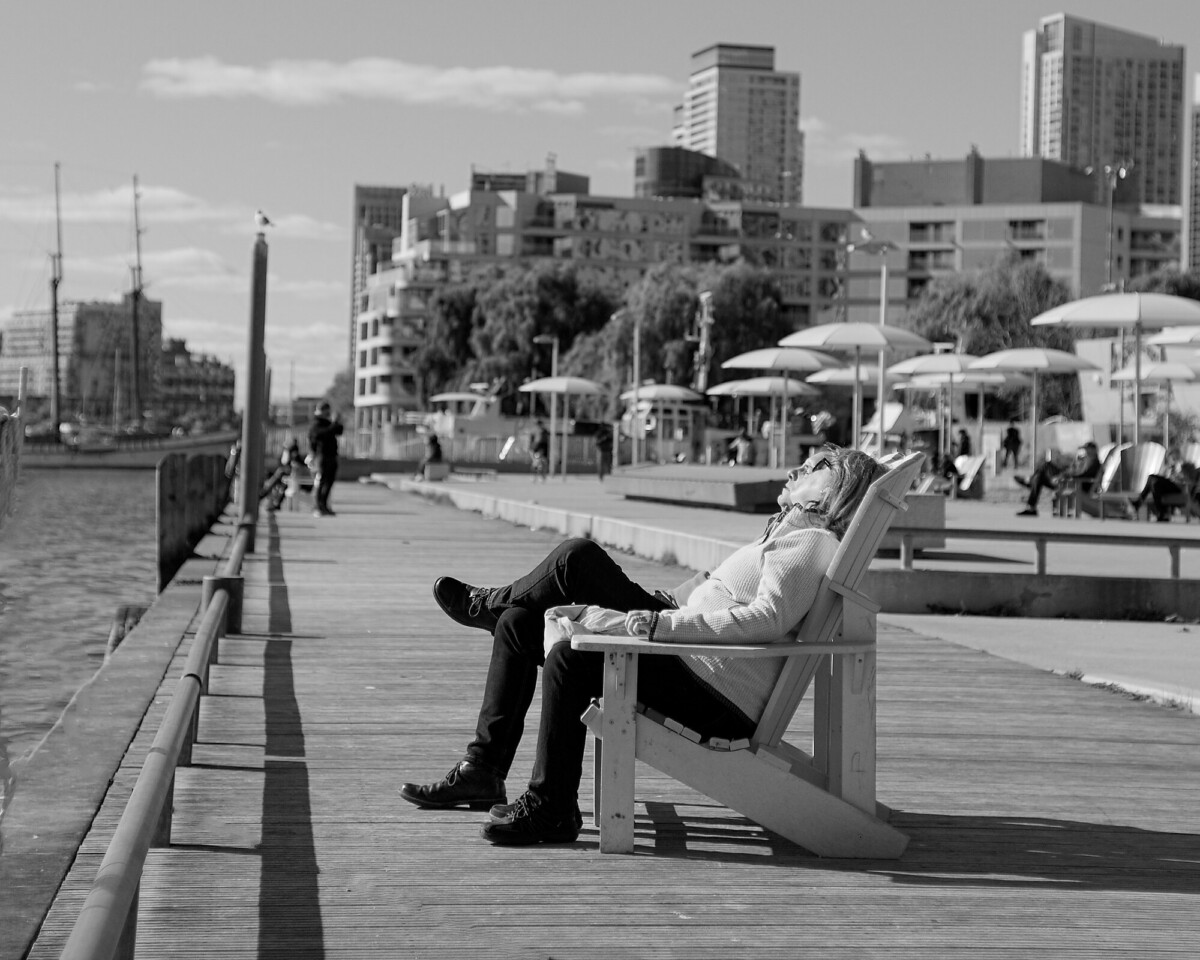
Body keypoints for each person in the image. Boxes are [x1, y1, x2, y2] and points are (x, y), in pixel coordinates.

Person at [399, 446, 888, 846]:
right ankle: (483, 768)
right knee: (518, 623)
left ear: (835, 490)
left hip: (709, 686)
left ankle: (550, 807)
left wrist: (656, 626)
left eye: (815, 468)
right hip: (689, 657)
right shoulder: (793, 533)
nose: (797, 469)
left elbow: (767, 618)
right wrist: (666, 607)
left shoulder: (807, 539)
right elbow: (722, 595)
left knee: (576, 568)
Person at [1014, 441, 1100, 517]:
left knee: (1045, 467)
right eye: (1085, 449)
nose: (1086, 451)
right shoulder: (1085, 460)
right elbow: (1072, 471)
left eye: (1088, 449)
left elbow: (1082, 475)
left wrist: (1063, 476)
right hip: (1068, 482)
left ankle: (1030, 485)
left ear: (1094, 450)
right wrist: (1065, 473)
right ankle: (1031, 504)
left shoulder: (1094, 463)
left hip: (1072, 484)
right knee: (1040, 476)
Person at [1133, 450, 1199, 522]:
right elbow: (1168, 478)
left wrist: (1178, 475)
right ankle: (1162, 514)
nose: (1168, 460)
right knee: (1156, 485)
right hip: (1170, 486)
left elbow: (1188, 480)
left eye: (1170, 458)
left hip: (1178, 488)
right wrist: (1169, 473)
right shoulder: (1169, 468)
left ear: (1175, 458)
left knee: (1152, 477)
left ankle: (1139, 503)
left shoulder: (1181, 466)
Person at [307, 401, 343, 517]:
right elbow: (322, 434)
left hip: (332, 455)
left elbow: (339, 430)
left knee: (329, 482)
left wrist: (336, 421)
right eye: (325, 411)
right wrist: (333, 425)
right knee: (321, 482)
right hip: (321, 456)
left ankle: (324, 506)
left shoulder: (327, 423)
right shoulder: (316, 424)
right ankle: (317, 507)